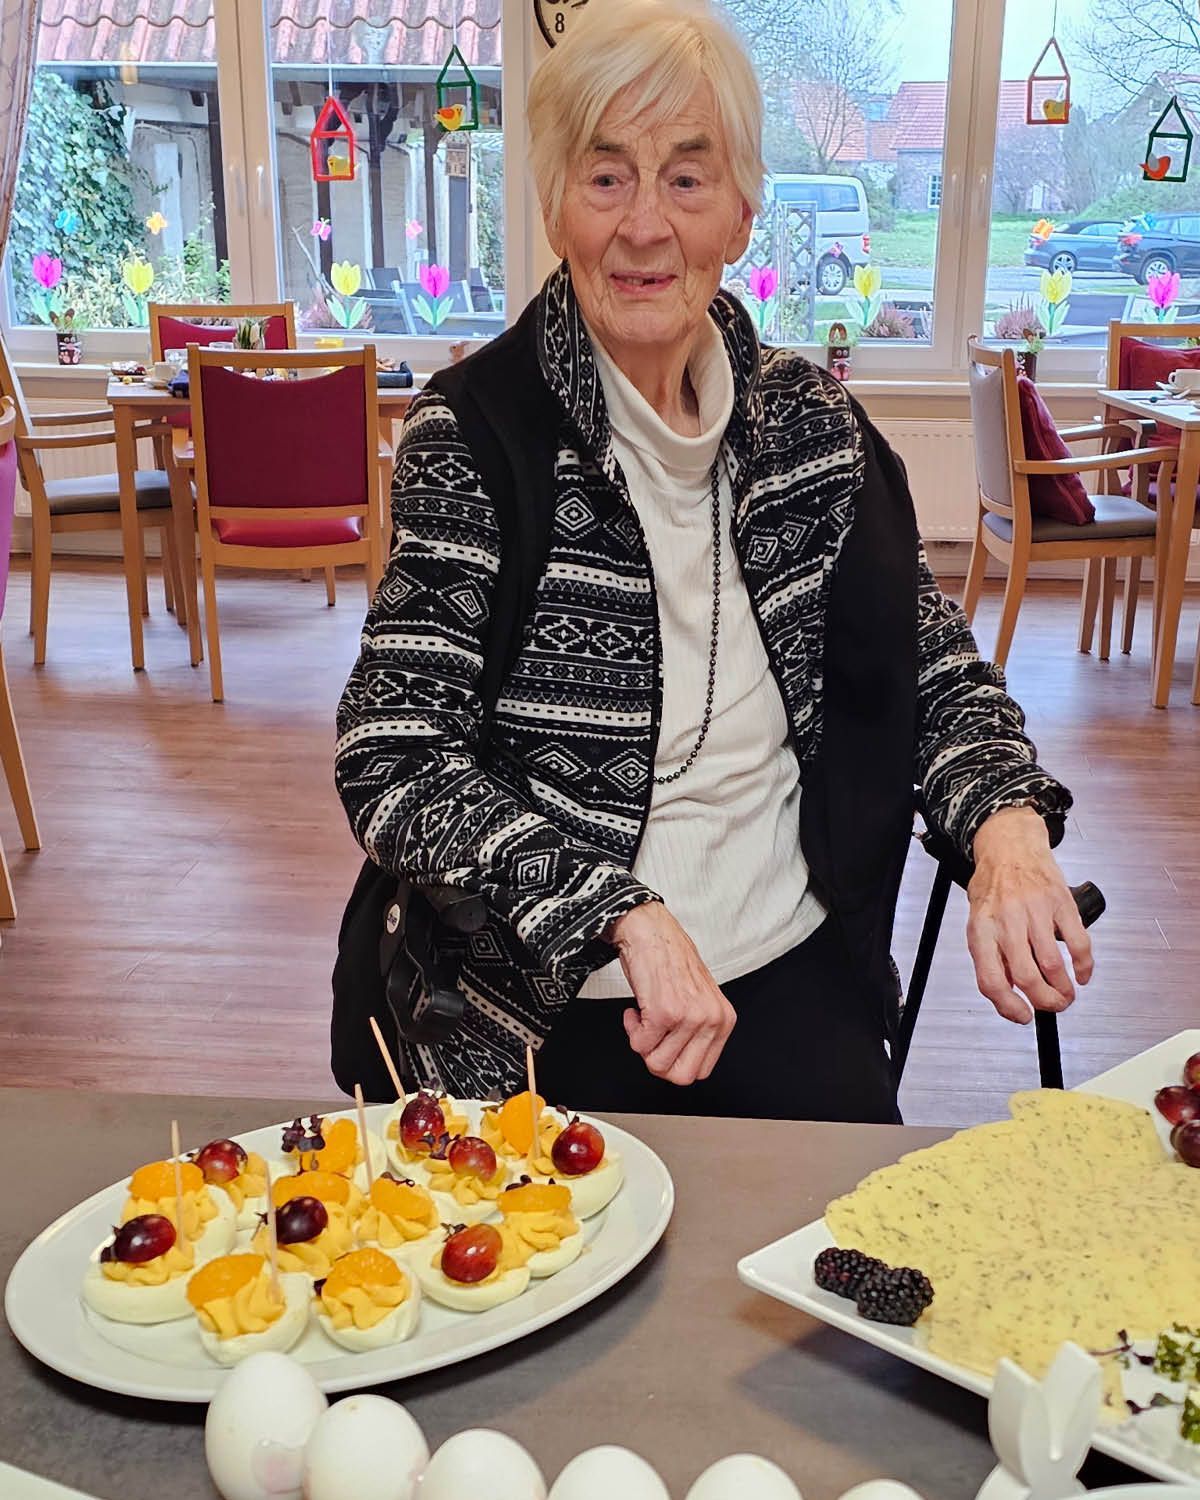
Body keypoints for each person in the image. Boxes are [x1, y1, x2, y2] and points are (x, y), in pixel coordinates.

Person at [334, 0, 1092, 1121]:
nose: (645, 226)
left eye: (687, 179)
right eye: (606, 177)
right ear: (553, 204)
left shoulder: (812, 431)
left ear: (741, 213)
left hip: (798, 970)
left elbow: (932, 671)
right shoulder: (476, 437)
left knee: (854, 1231)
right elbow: (393, 751)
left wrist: (1010, 830)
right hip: (541, 1008)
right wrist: (617, 912)